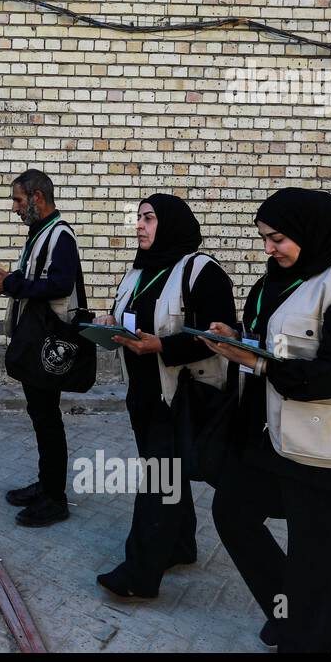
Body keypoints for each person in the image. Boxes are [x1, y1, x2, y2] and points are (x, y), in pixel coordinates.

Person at [202, 188, 331, 653]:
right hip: (266, 437)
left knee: (313, 558)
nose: (268, 249)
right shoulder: (271, 283)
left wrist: (257, 363)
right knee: (232, 514)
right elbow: (277, 344)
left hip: (321, 449)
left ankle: (308, 643)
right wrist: (236, 337)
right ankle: (289, 610)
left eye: (277, 238)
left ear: (309, 232)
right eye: (263, 239)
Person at [94, 194, 236, 598]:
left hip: (179, 396)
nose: (139, 225)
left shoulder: (201, 271)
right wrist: (109, 320)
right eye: (138, 218)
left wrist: (164, 348)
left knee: (159, 478)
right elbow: (131, 317)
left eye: (149, 218)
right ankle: (180, 545)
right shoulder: (139, 271)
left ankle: (139, 575)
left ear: (170, 224)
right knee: (167, 473)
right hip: (142, 392)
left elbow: (219, 337)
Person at [0, 169, 83, 527]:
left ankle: (56, 499)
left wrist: (11, 282)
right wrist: (10, 282)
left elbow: (58, 286)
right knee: (42, 417)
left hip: (49, 344)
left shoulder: (60, 236)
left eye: (18, 200)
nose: (15, 208)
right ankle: (47, 485)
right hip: (35, 339)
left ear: (38, 197)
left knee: (48, 419)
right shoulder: (39, 234)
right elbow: (36, 282)